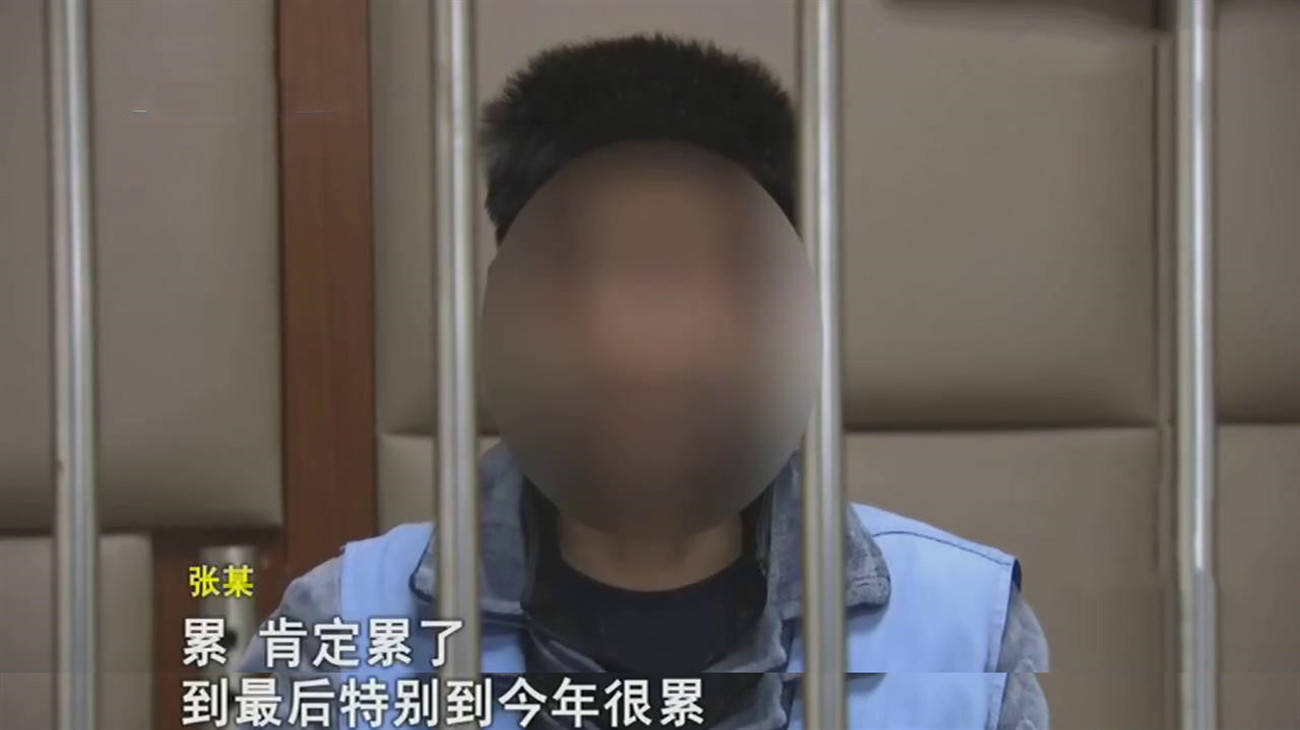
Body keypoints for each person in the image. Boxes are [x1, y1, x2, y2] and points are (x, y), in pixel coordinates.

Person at [238, 34, 1049, 730]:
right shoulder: (346, 621)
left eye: (691, 276)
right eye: (587, 275)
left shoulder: (960, 627)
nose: (640, 339)